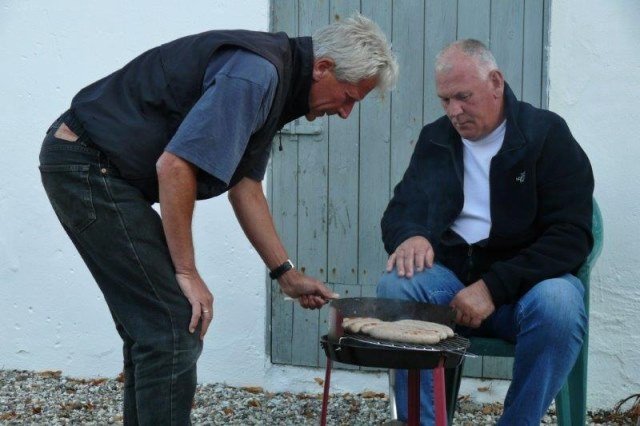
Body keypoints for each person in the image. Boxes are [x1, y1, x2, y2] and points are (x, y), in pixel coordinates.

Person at [38, 13, 398, 425]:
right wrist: (187, 272)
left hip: (101, 169)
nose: (347, 112)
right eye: (350, 97)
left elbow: (244, 185)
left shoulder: (278, 84)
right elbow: (174, 167)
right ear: (323, 68)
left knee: (158, 328)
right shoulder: (257, 75)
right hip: (87, 164)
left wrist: (286, 273)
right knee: (174, 325)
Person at [377, 39, 593, 425]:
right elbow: (400, 210)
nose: (454, 112)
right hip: (451, 289)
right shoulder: (435, 139)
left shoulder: (546, 135)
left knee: (561, 302)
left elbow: (572, 235)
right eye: (445, 101)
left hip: (525, 293)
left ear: (496, 82)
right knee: (397, 283)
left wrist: (493, 287)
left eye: (463, 97)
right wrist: (411, 234)